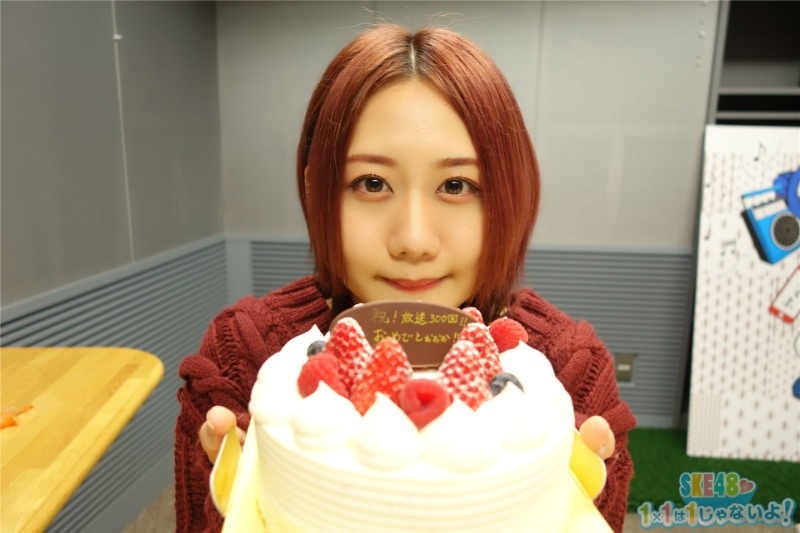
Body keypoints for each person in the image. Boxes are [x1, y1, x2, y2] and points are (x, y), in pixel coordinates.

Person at [175, 23, 636, 533]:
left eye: (456, 185)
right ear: (315, 189)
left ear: (511, 194)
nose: (414, 240)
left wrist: (572, 482)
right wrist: (238, 487)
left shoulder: (568, 372)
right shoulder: (244, 357)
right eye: (372, 183)